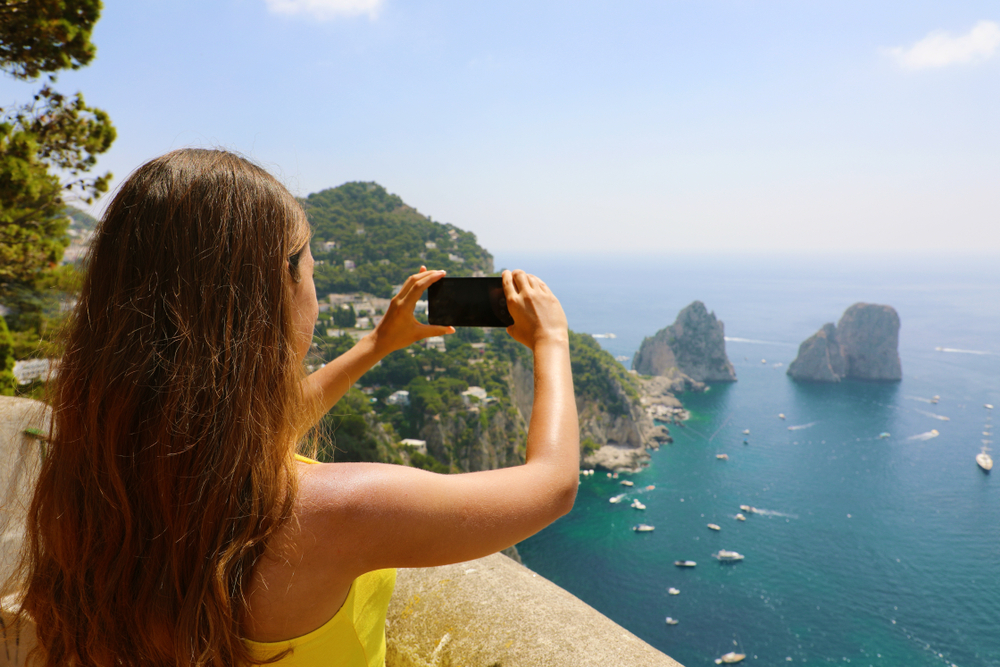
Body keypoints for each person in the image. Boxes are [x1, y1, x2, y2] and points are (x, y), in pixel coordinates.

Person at [2, 149, 579, 667]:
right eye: (308, 267)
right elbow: (552, 486)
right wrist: (551, 342)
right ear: (275, 290)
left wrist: (376, 345)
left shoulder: (95, 473)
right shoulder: (336, 513)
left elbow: (250, 432)